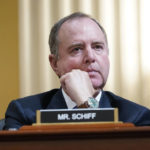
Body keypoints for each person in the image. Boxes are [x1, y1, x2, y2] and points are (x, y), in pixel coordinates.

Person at [3, 12, 150, 130]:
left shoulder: (137, 117)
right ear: (55, 63)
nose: (91, 57)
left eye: (97, 47)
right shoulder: (24, 113)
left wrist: (87, 103)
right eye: (77, 49)